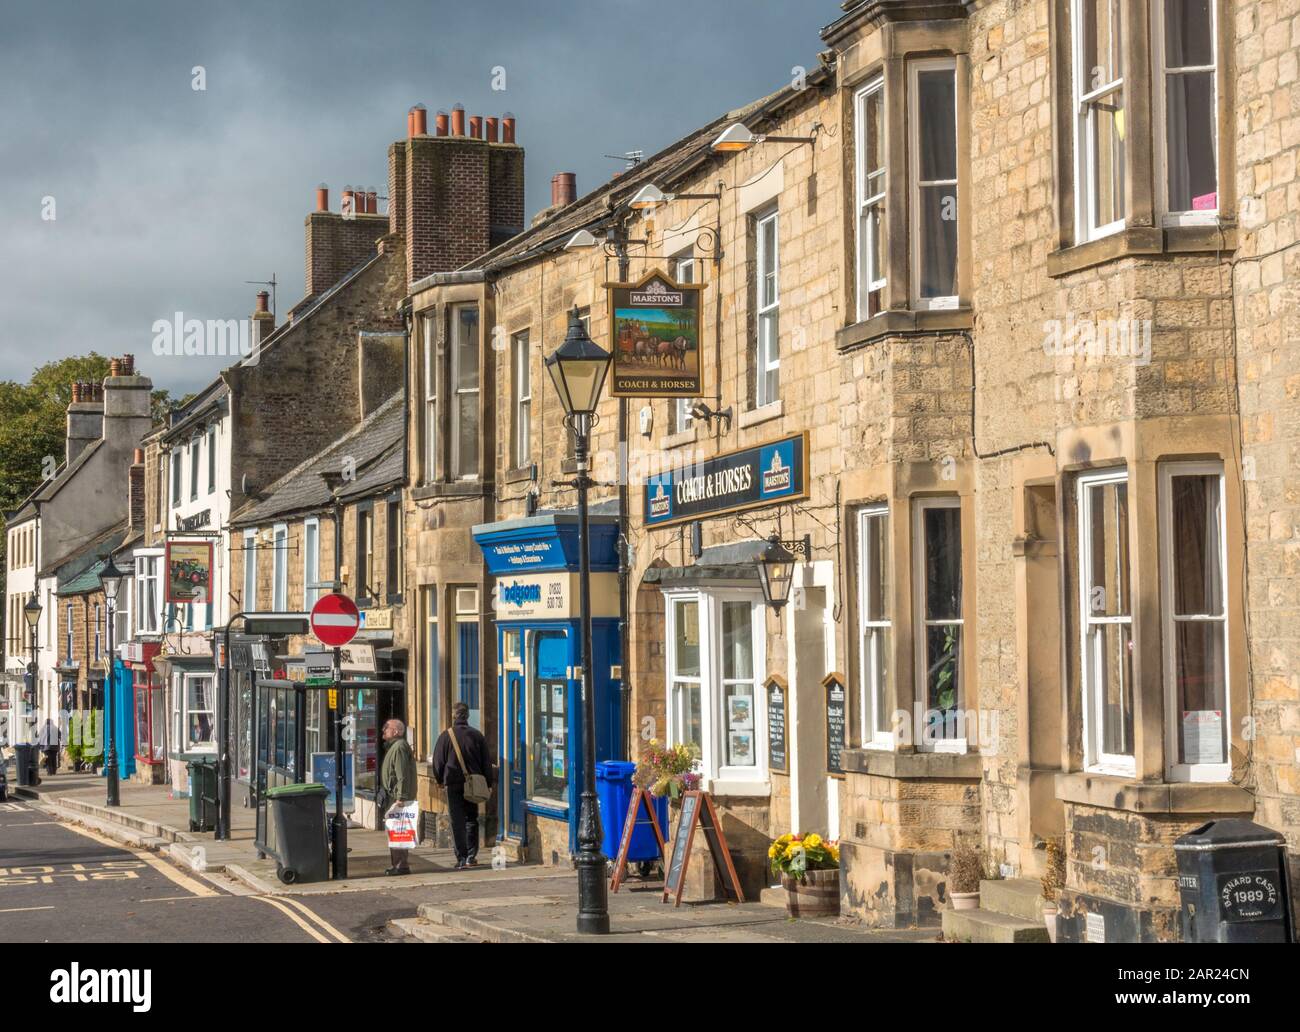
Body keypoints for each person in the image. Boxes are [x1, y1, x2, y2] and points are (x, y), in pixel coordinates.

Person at [431, 703, 493, 870]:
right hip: (473, 783)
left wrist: (439, 780)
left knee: (456, 820)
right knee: (471, 819)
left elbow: (437, 762)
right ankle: (471, 856)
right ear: (467, 716)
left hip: (452, 784)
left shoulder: (445, 736)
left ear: (453, 716)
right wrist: (488, 783)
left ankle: (461, 857)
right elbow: (486, 761)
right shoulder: (477, 736)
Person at [379, 718, 417, 876]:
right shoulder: (394, 747)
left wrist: (400, 798)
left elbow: (402, 774)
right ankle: (398, 864)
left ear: (396, 731)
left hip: (398, 798)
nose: (383, 731)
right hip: (393, 796)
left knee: (399, 831)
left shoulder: (399, 747)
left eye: (386, 728)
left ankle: (401, 865)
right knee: (395, 830)